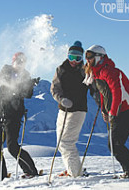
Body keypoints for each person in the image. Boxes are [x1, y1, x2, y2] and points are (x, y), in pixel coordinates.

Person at [83, 45, 129, 179]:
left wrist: (113, 112)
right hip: (120, 112)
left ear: (99, 57)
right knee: (115, 144)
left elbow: (117, 92)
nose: (87, 60)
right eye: (86, 57)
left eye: (90, 56)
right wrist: (105, 110)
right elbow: (105, 94)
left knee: (115, 144)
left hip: (128, 112)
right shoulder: (98, 72)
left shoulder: (109, 71)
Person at [0, 52, 40, 181]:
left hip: (14, 115)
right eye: (18, 61)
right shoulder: (5, 70)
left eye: (23, 62)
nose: (20, 64)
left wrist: (29, 85)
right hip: (1, 113)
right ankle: (0, 175)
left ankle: (31, 171)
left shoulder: (25, 76)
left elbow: (27, 94)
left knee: (12, 146)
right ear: (13, 62)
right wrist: (5, 80)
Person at [50, 41, 89, 177]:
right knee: (60, 142)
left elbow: (95, 87)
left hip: (78, 110)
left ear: (81, 58)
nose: (74, 61)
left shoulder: (85, 70)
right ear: (67, 56)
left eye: (77, 58)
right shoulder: (61, 69)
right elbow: (54, 88)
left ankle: (75, 173)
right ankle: (73, 168)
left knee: (66, 142)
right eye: (71, 57)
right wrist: (61, 99)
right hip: (63, 109)